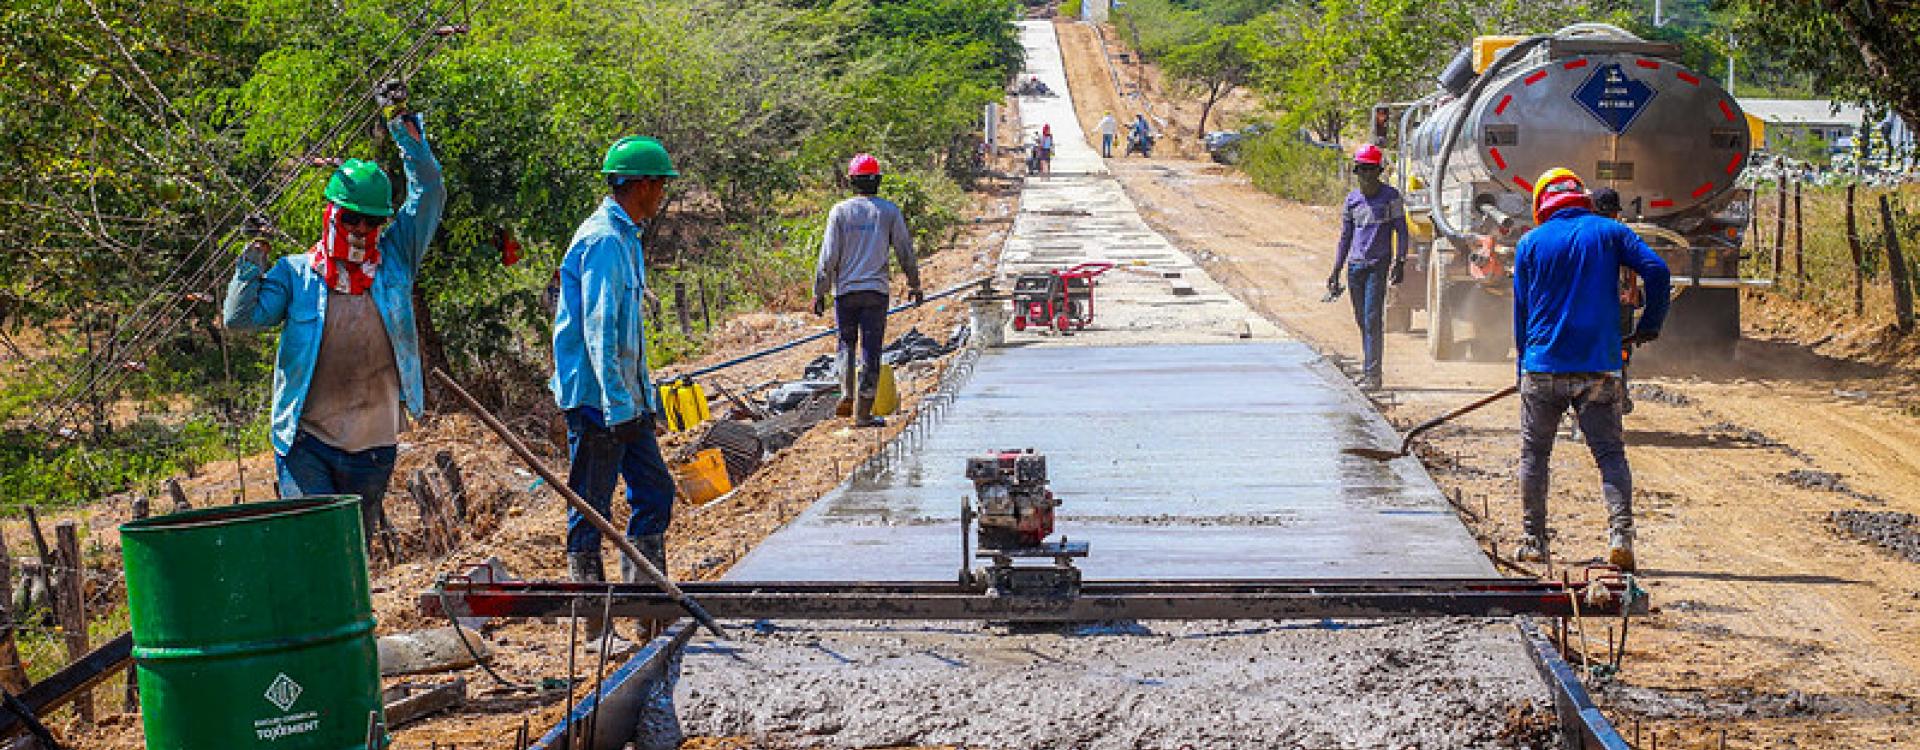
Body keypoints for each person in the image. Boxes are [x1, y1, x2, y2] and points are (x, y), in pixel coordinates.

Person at [223, 91, 443, 552]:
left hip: (374, 446)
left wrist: (403, 124)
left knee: (350, 556)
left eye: (371, 222)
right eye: (351, 220)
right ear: (331, 216)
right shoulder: (295, 274)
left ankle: (349, 625)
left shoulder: (396, 259)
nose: (361, 231)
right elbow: (239, 319)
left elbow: (429, 190)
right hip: (309, 444)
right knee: (314, 546)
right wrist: (253, 257)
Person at [551, 135, 681, 648]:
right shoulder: (604, 240)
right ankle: (594, 625)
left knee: (654, 492)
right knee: (591, 505)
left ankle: (646, 608)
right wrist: (619, 406)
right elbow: (601, 331)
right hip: (598, 400)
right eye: (660, 186)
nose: (663, 196)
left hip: (624, 397)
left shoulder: (626, 236)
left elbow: (628, 335)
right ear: (642, 185)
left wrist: (641, 399)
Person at [1511, 169, 1671, 571]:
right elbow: (1657, 270)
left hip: (1543, 366)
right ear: (1580, 198)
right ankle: (1621, 536)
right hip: (1599, 368)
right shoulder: (1609, 232)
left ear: (1541, 204)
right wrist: (1649, 323)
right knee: (1609, 453)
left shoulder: (1530, 243)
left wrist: (1522, 366)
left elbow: (1522, 315)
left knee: (1535, 454)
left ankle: (1533, 541)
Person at [813, 154, 923, 427]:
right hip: (875, 293)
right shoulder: (888, 211)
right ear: (878, 181)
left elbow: (828, 257)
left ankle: (847, 392)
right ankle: (862, 412)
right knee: (871, 350)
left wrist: (820, 291)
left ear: (852, 182)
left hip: (845, 293)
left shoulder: (839, 212)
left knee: (846, 344)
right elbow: (905, 251)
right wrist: (915, 284)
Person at [1324, 143, 1408, 391]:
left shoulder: (1391, 197)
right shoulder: (1352, 201)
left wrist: (1400, 261)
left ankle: (1373, 376)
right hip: (1355, 267)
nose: (1367, 175)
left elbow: (1401, 231)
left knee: (1373, 319)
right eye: (1362, 170)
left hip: (1377, 265)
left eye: (1371, 170)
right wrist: (1336, 269)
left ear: (1379, 172)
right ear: (1356, 172)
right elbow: (1345, 237)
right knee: (1362, 319)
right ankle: (1368, 369)